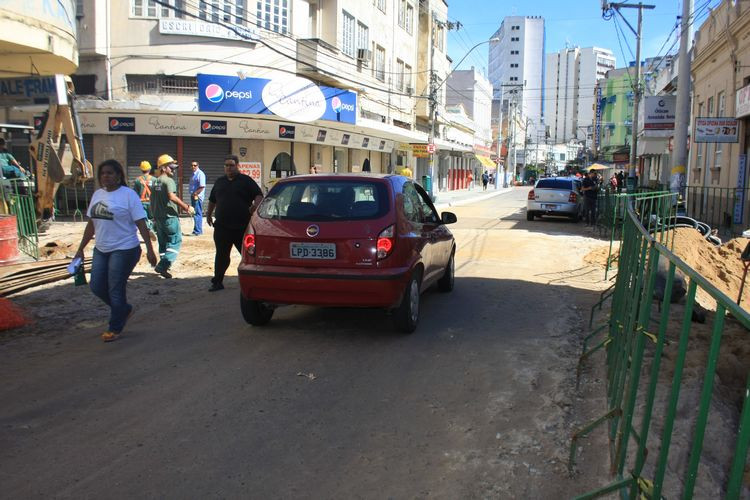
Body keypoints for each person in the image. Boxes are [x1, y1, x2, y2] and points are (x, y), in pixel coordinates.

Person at [73, 159, 157, 342]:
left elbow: (141, 224)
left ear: (119, 176)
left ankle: (115, 327)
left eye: (110, 173)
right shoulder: (97, 195)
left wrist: (150, 250)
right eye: (103, 173)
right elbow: (91, 224)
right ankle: (123, 309)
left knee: (115, 288)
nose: (106, 176)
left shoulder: (128, 195)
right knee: (96, 286)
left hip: (125, 249)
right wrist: (80, 249)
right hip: (101, 249)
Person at [205, 155, 263, 292]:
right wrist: (208, 214)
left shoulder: (246, 181)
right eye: (226, 165)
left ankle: (257, 281)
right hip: (222, 226)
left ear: (237, 166)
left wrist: (256, 206)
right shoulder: (219, 182)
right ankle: (217, 282)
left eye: (231, 165)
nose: (228, 168)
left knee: (248, 254)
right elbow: (212, 199)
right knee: (221, 255)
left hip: (241, 226)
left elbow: (259, 195)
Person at [151, 154, 194, 279]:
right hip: (169, 217)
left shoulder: (156, 182)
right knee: (175, 241)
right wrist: (186, 207)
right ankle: (163, 266)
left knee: (163, 244)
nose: (174, 170)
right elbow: (172, 196)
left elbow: (152, 200)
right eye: (171, 167)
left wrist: (154, 216)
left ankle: (164, 268)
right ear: (163, 168)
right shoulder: (168, 181)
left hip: (159, 218)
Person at [132, 160, 155, 238]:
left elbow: (134, 193)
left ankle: (148, 228)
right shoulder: (155, 180)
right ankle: (151, 228)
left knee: (144, 217)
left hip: (141, 203)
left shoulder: (137, 180)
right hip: (151, 202)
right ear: (150, 169)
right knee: (152, 217)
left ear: (141, 170)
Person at [189, 161, 206, 235]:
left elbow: (202, 186)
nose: (193, 167)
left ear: (198, 166)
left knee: (197, 213)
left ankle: (197, 231)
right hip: (193, 196)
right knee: (195, 213)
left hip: (197, 197)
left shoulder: (200, 174)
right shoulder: (193, 174)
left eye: (195, 165)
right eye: (192, 165)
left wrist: (196, 193)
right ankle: (197, 230)